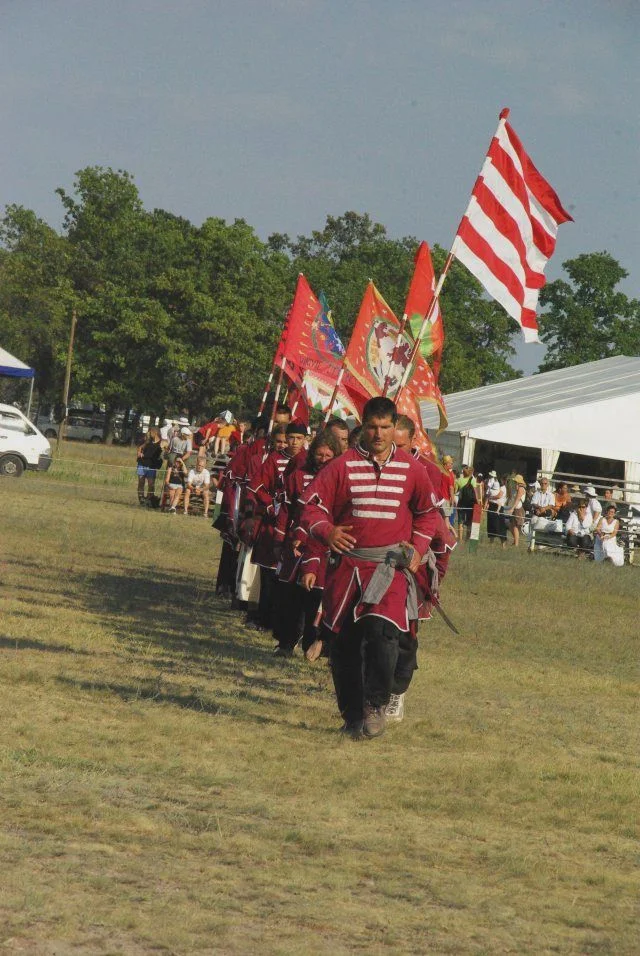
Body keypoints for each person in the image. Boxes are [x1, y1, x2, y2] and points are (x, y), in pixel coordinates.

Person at [300, 397, 439, 740]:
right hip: (347, 567)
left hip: (389, 568)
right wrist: (327, 531)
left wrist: (418, 548)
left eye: (385, 427)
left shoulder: (412, 469)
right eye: (373, 427)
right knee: (344, 643)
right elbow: (311, 507)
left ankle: (375, 705)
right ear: (363, 426)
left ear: (394, 427)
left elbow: (428, 514)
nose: (379, 434)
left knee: (383, 634)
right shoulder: (342, 465)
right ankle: (351, 715)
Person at [272, 430, 342, 657]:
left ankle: (312, 644)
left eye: (328, 455)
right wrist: (279, 539)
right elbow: (286, 509)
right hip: (297, 542)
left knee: (317, 598)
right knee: (291, 597)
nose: (323, 459)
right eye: (319, 455)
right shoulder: (299, 476)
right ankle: (285, 643)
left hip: (325, 544)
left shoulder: (341, 479)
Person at [136, 427, 163, 505]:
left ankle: (149, 499)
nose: (149, 433)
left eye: (150, 432)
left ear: (155, 432)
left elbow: (166, 449)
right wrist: (139, 453)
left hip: (152, 465)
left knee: (151, 484)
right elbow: (140, 447)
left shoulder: (161, 442)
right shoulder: (147, 441)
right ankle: (141, 499)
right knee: (141, 481)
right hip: (142, 463)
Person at [455, 465, 477, 543]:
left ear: (463, 472)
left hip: (461, 503)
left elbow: (455, 492)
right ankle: (467, 538)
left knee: (460, 521)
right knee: (469, 521)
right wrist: (478, 502)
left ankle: (460, 539)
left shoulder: (458, 480)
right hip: (470, 504)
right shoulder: (473, 480)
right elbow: (475, 492)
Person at [503, 474, 526, 547]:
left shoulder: (521, 489)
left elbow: (517, 499)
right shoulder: (516, 488)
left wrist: (512, 508)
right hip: (514, 508)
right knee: (511, 526)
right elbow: (511, 497)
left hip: (518, 509)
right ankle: (515, 541)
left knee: (515, 526)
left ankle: (516, 543)